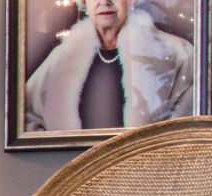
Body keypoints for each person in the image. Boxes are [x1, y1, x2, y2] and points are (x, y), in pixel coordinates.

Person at [25, 0, 196, 131]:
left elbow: (187, 127)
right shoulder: (61, 58)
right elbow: (27, 116)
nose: (105, 1)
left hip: (151, 171)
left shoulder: (178, 53)